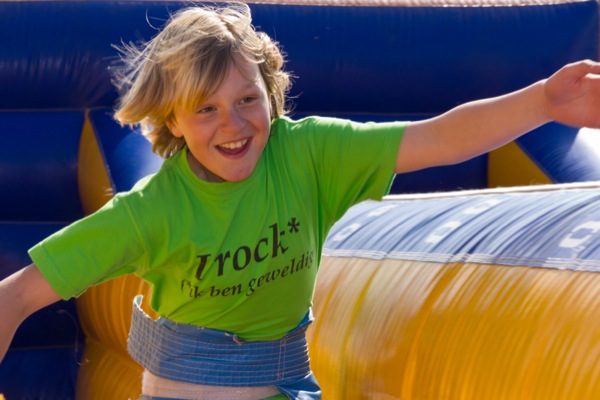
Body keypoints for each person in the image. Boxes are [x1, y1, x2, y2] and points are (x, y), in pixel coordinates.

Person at [1, 2, 600, 399]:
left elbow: (436, 137)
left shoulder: (304, 153)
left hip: (287, 380)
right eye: (205, 109)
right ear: (174, 123)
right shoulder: (152, 211)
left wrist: (543, 103)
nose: (232, 124)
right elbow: (19, 293)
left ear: (271, 92)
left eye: (246, 99)